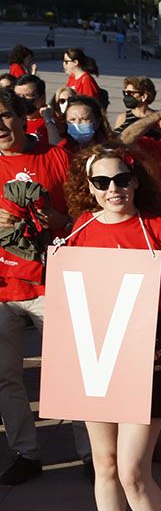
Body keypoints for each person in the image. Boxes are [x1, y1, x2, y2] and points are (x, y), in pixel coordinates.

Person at [63, 143, 161, 511]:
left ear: (136, 181)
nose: (113, 189)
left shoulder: (157, 227)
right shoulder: (81, 228)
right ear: (90, 187)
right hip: (98, 355)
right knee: (106, 465)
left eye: (121, 179)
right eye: (102, 182)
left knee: (135, 470)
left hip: (149, 354)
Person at [0, 89, 75, 485]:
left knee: (69, 369)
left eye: (4, 115)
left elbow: (83, 212)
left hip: (51, 281)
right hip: (3, 287)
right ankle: (25, 452)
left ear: (21, 115)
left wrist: (57, 219)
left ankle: (90, 452)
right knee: (6, 375)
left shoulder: (55, 157)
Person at [13, 74, 57, 145]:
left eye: (28, 96)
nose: (21, 100)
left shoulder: (53, 120)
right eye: (18, 96)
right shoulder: (10, 120)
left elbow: (58, 146)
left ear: (42, 98)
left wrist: (49, 121)